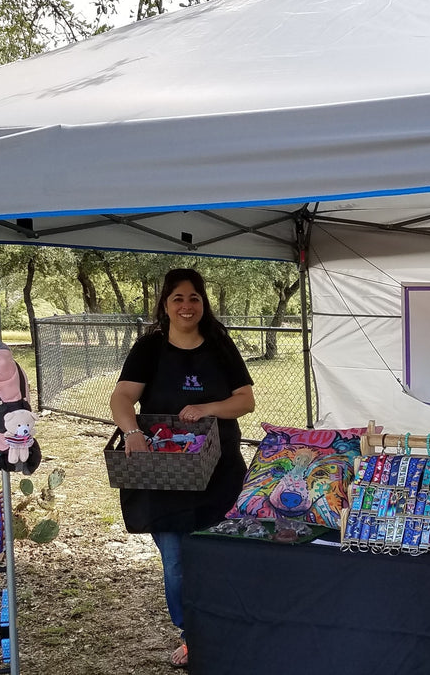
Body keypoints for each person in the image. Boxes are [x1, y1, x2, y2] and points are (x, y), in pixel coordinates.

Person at [109, 267, 255, 669]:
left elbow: (245, 401)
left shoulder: (220, 346)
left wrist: (207, 408)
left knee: (217, 555)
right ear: (166, 305)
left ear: (203, 303)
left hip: (218, 469)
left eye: (194, 298)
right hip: (163, 474)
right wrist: (132, 432)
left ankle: (224, 627)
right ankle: (191, 634)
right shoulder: (149, 348)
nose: (187, 306)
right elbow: (122, 397)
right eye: (178, 299)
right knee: (175, 560)